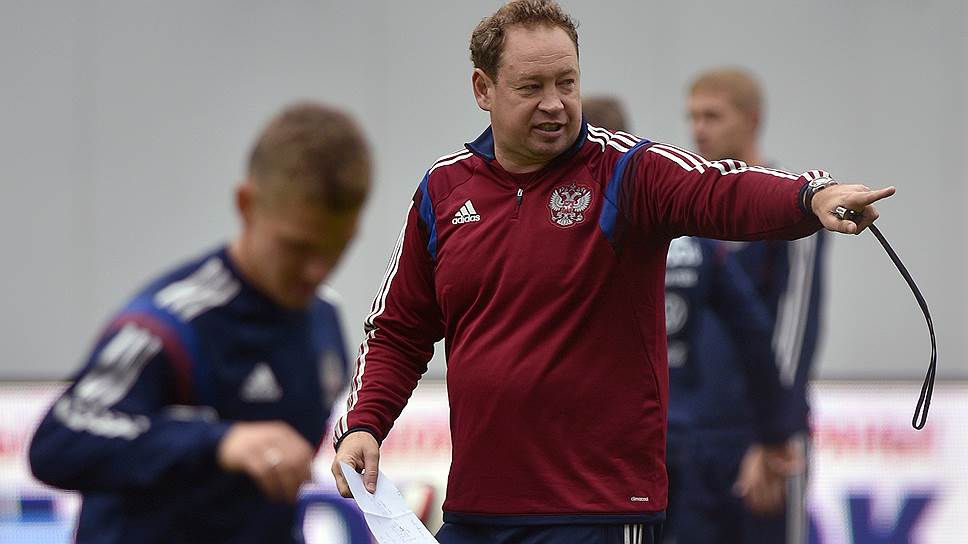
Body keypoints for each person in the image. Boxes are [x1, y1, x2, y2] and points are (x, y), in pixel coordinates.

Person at [331, 2, 893, 543]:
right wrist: (364, 423)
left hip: (595, 512)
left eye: (567, 83)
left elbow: (718, 188)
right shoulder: (443, 189)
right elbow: (398, 329)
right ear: (483, 89)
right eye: (531, 87)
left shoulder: (625, 172)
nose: (555, 103)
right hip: (476, 512)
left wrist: (810, 196)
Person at [28, 102, 371, 543]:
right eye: (296, 247)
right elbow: (57, 441)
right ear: (246, 205)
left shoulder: (323, 321)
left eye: (336, 247)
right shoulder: (169, 324)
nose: (316, 270)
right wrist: (217, 440)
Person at [581, 95, 804, 542]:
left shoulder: (567, 241)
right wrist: (773, 431)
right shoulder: (685, 234)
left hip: (608, 447)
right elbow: (753, 330)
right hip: (679, 434)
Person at [678, 67, 825, 543]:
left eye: (712, 116)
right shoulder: (686, 217)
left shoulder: (795, 211)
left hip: (763, 435)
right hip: (695, 436)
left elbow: (794, 334)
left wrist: (771, 435)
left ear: (753, 120)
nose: (699, 129)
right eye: (693, 117)